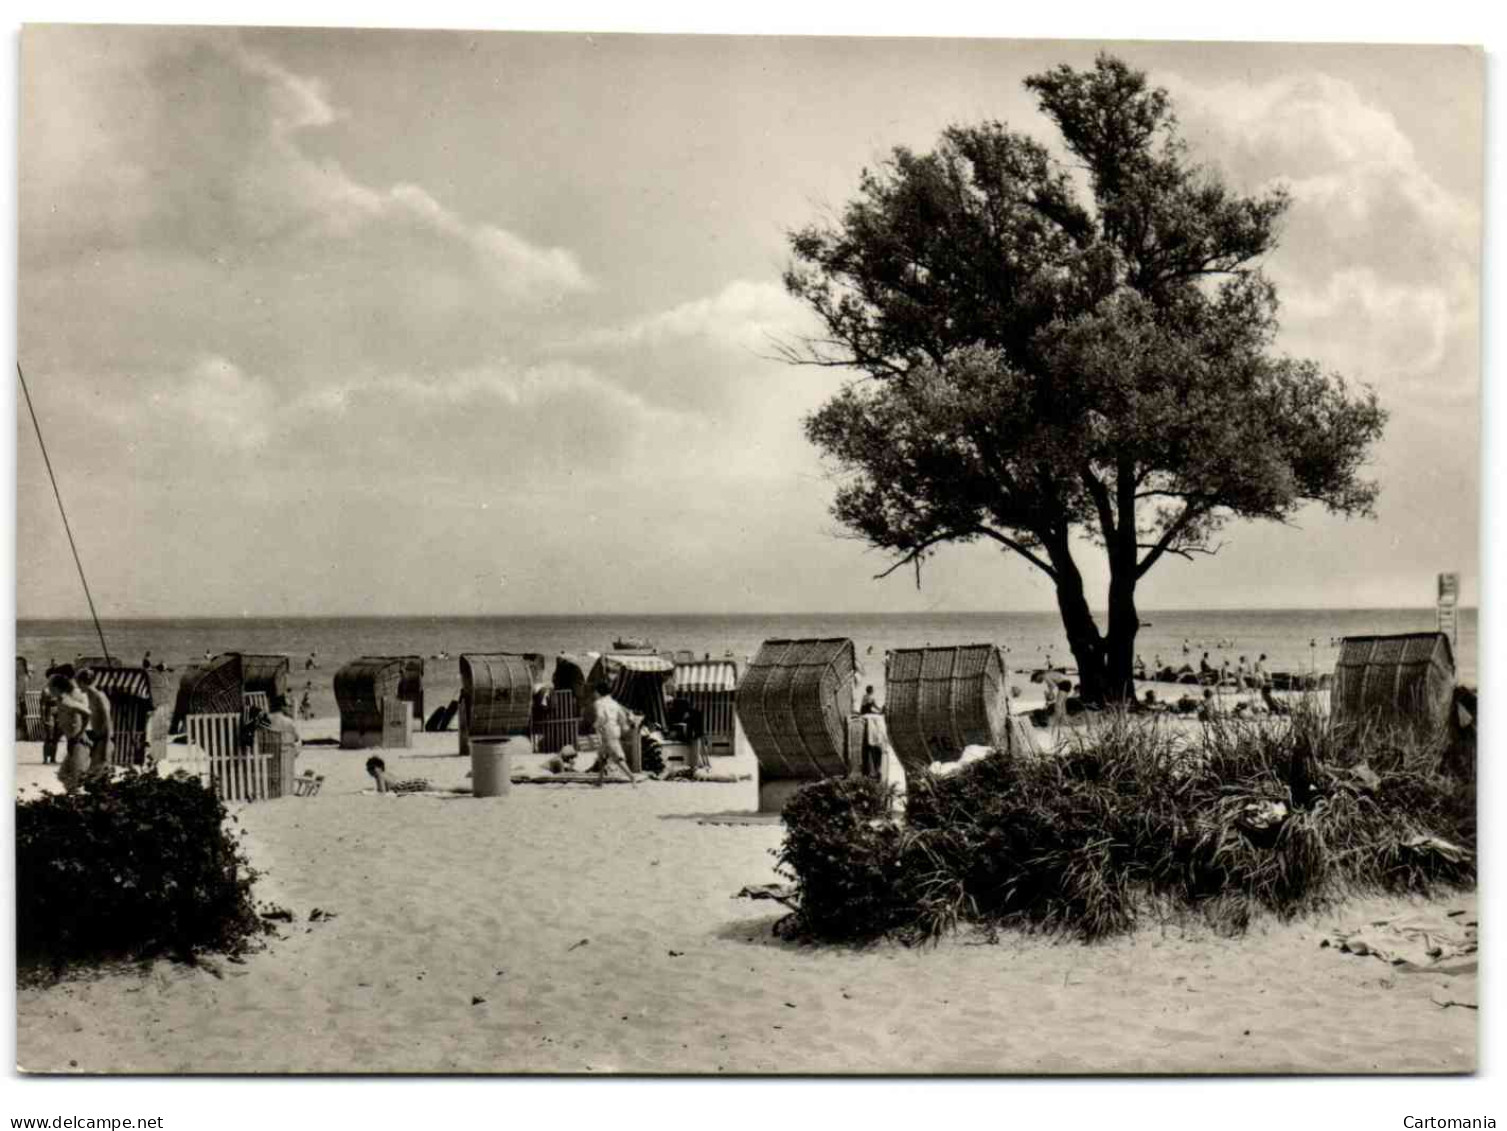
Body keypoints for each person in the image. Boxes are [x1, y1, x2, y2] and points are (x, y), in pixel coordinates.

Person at [586, 679, 637, 787]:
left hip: (606, 731)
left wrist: (596, 725)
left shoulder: (599, 703)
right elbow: (622, 716)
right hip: (615, 729)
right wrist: (625, 727)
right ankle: (600, 781)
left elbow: (601, 717)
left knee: (617, 757)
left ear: (598, 692)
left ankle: (631, 777)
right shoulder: (614, 703)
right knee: (602, 756)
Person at [50, 673, 93, 793]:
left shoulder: (67, 702)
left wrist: (80, 733)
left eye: (51, 687)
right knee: (63, 775)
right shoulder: (60, 701)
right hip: (72, 742)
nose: (49, 690)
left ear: (57, 688)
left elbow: (87, 713)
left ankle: (77, 803)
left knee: (75, 780)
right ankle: (74, 798)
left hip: (79, 743)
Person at [76, 667, 114, 777]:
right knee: (92, 777)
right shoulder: (90, 697)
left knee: (98, 778)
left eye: (78, 683)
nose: (77, 686)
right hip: (96, 740)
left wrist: (105, 749)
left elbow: (107, 722)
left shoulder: (99, 697)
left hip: (104, 741)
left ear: (82, 682)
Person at [364, 755, 429, 794]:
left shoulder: (380, 776)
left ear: (380, 768)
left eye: (372, 768)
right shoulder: (386, 774)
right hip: (413, 783)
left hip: (411, 785)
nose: (370, 771)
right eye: (369, 769)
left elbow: (382, 792)